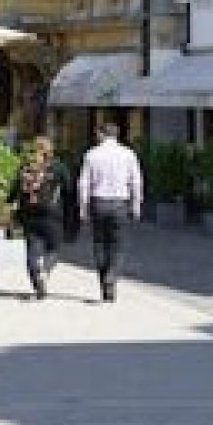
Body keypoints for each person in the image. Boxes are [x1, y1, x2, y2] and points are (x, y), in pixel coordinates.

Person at [76, 119, 143, 303]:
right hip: (120, 203)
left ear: (102, 134)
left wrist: (83, 208)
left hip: (98, 202)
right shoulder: (128, 154)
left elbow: (83, 184)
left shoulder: (92, 155)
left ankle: (105, 288)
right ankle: (112, 276)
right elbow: (136, 182)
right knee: (118, 245)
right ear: (117, 135)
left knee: (99, 244)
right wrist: (136, 205)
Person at [8, 136, 73, 300]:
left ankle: (38, 283)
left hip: (28, 214)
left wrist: (8, 206)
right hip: (51, 215)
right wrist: (70, 214)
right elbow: (68, 191)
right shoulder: (58, 168)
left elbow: (14, 191)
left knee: (32, 249)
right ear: (50, 151)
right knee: (53, 248)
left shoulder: (25, 167)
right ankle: (44, 272)